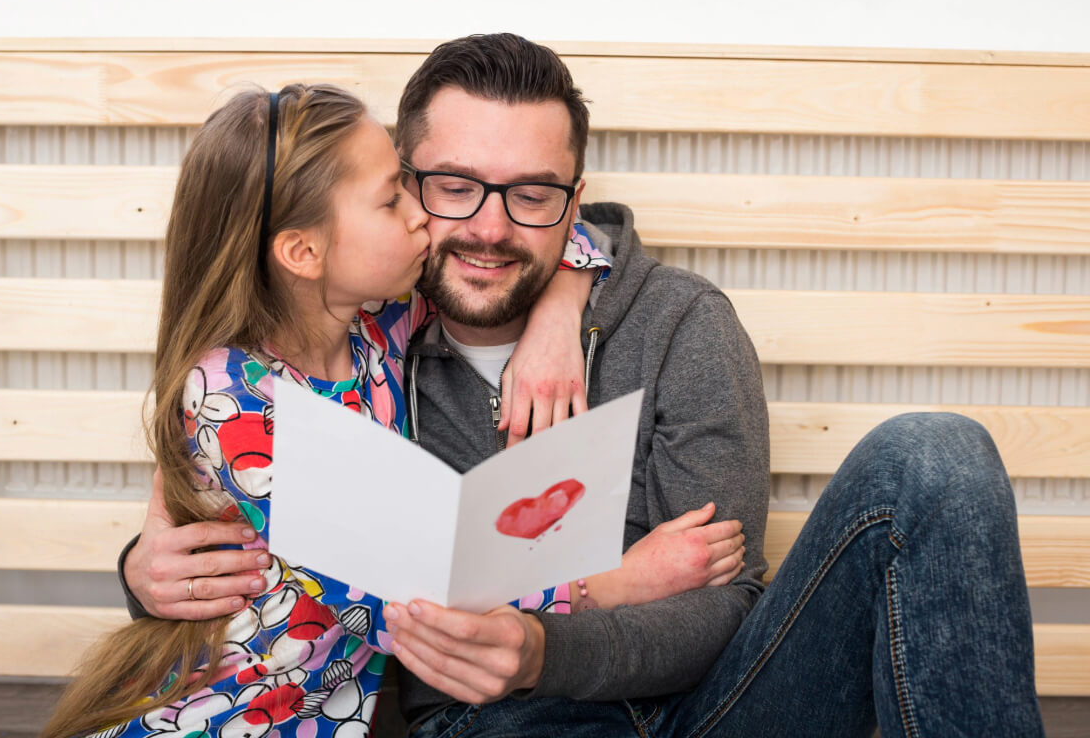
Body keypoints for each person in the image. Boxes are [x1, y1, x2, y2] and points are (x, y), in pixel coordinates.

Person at [121, 36, 1044, 736]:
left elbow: (727, 594)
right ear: (403, 184)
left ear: (572, 199)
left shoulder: (680, 324)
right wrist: (141, 568)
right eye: (450, 187)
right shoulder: (375, 325)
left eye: (532, 195)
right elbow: (271, 498)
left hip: (717, 705)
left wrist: (567, 303)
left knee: (936, 454)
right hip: (499, 722)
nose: (490, 229)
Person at [45, 82, 744, 738]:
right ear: (303, 251)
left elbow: (568, 234)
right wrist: (622, 582)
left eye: (411, 189)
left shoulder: (374, 328)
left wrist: (558, 315)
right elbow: (416, 607)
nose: (421, 217)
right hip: (220, 716)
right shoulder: (238, 402)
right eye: (392, 199)